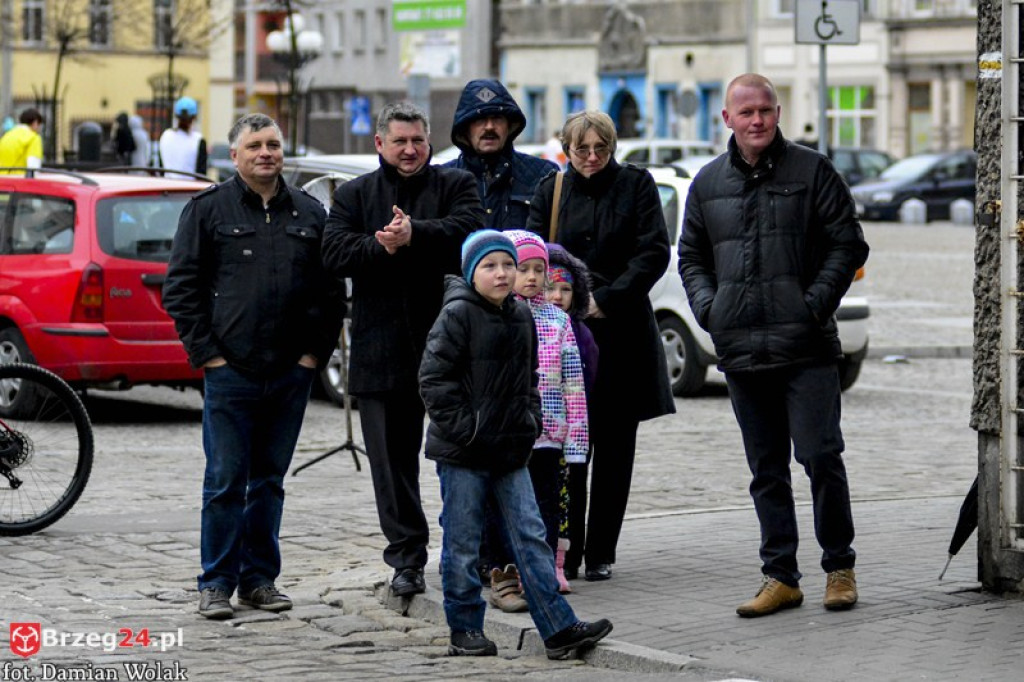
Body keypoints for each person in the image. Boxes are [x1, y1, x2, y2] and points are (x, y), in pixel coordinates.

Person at [678, 73, 869, 617]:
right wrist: (710, 310)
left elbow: (848, 242)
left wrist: (814, 304)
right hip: (741, 349)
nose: (757, 120)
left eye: (765, 110)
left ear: (778, 112)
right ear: (727, 120)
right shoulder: (709, 182)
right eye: (746, 112)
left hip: (805, 347)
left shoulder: (812, 170)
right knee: (766, 470)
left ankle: (840, 567)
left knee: (820, 457)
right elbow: (691, 255)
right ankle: (780, 576)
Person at [163, 113, 344, 620]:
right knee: (225, 480)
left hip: (290, 372)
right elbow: (180, 290)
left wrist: (313, 356)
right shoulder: (208, 211)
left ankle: (259, 580)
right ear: (236, 155)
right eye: (255, 146)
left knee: (268, 480)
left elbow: (330, 295)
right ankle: (216, 583)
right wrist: (209, 357)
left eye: (273, 145)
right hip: (231, 372)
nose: (266, 153)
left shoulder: (310, 213)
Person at [418, 228, 613, 659]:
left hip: (511, 448)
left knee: (530, 535)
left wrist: (529, 421)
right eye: (490, 266)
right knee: (464, 541)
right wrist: (468, 428)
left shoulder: (521, 316)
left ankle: (559, 628)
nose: (503, 273)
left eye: (508, 264)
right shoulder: (456, 315)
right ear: (471, 273)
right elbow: (433, 381)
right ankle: (465, 626)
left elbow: (529, 381)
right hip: (464, 451)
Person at [322, 101, 484, 598]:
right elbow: (333, 253)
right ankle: (407, 558)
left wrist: (416, 234)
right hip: (380, 349)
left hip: (452, 347)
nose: (410, 149)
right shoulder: (353, 194)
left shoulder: (456, 184)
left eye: (418, 140)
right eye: (400, 141)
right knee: (391, 466)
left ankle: (475, 553)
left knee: (468, 453)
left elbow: (471, 235)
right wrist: (382, 245)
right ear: (379, 144)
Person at [526, 110, 675, 582]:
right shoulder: (550, 190)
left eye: (600, 149)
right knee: (568, 446)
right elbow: (533, 253)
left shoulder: (636, 184)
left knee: (615, 448)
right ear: (566, 150)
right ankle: (567, 546)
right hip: (562, 335)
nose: (591, 158)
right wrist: (565, 299)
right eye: (581, 150)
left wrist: (605, 300)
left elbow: (653, 250)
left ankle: (602, 550)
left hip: (621, 331)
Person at [504, 229, 588, 596]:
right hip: (508, 432)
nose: (533, 277)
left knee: (548, 506)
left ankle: (550, 568)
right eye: (524, 268)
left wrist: (576, 438)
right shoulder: (496, 315)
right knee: (509, 505)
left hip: (549, 433)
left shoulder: (558, 321)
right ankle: (506, 569)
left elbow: (574, 383)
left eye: (539, 269)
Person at [544, 242, 598, 591]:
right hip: (536, 429)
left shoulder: (580, 332)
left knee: (570, 494)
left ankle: (568, 558)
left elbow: (587, 375)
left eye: (566, 289)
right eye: (551, 287)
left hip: (570, 429)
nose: (558, 295)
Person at [443, 79, 558, 230]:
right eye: (480, 119)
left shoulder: (543, 175)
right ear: (465, 128)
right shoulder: (444, 180)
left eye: (497, 118)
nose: (489, 126)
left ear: (510, 126)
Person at [159, 96, 207, 179]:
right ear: (194, 117)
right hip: (189, 189)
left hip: (166, 187)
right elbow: (201, 174)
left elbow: (161, 168)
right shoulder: (198, 140)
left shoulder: (165, 136)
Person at [0, 108, 44, 174]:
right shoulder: (33, 138)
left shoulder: (6, 136)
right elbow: (33, 169)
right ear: (35, 122)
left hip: (3, 180)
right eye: (39, 125)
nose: (39, 128)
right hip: (20, 181)